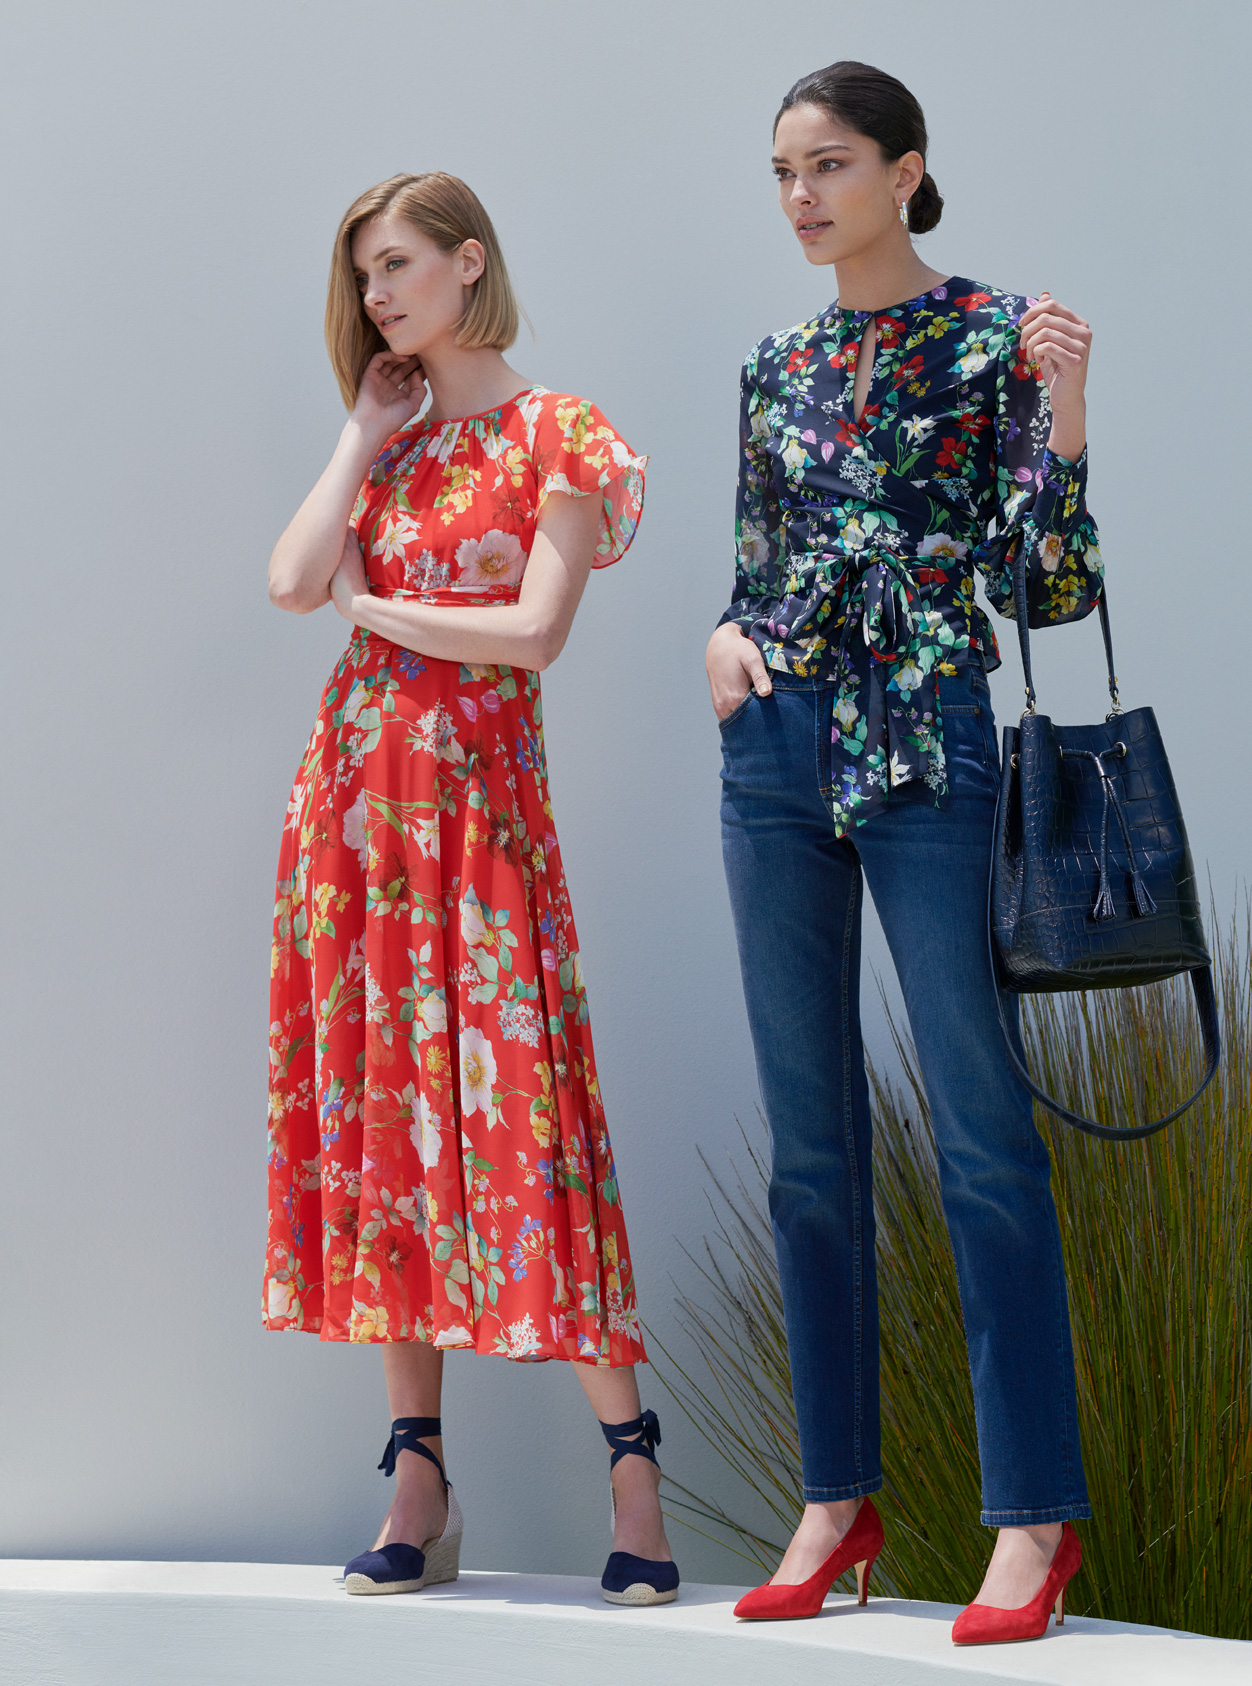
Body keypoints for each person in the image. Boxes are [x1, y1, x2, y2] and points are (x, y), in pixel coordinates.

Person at [706, 63, 1098, 1645]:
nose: (803, 193)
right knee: (812, 1145)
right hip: (776, 750)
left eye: (832, 163)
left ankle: (1034, 1518)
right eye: (785, 169)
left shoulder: (998, 334)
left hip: (928, 735)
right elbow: (756, 558)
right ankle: (836, 1494)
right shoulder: (775, 363)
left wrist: (1065, 409)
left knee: (983, 1133)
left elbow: (1046, 588)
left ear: (906, 170)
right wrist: (725, 643)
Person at [263, 171, 678, 1608]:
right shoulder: (393, 445)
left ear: (467, 261)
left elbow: (534, 632)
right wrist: (361, 428)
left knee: (530, 1120)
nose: (377, 296)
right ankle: (417, 1472)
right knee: (388, 1124)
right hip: (360, 824)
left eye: (395, 266)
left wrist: (380, 612)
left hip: (484, 821)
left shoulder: (561, 432)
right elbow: (288, 577)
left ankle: (634, 1463)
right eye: (362, 276)